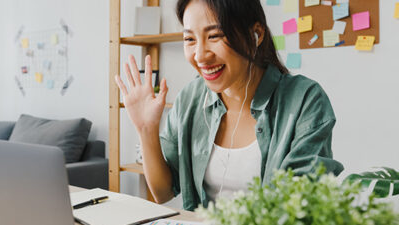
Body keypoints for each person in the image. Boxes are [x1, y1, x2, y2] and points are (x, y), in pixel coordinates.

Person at [115, 0, 344, 211]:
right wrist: (146, 129)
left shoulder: (305, 100)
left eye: (214, 35)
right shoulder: (190, 98)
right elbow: (163, 193)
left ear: (256, 34)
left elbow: (299, 207)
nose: (200, 55)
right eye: (190, 39)